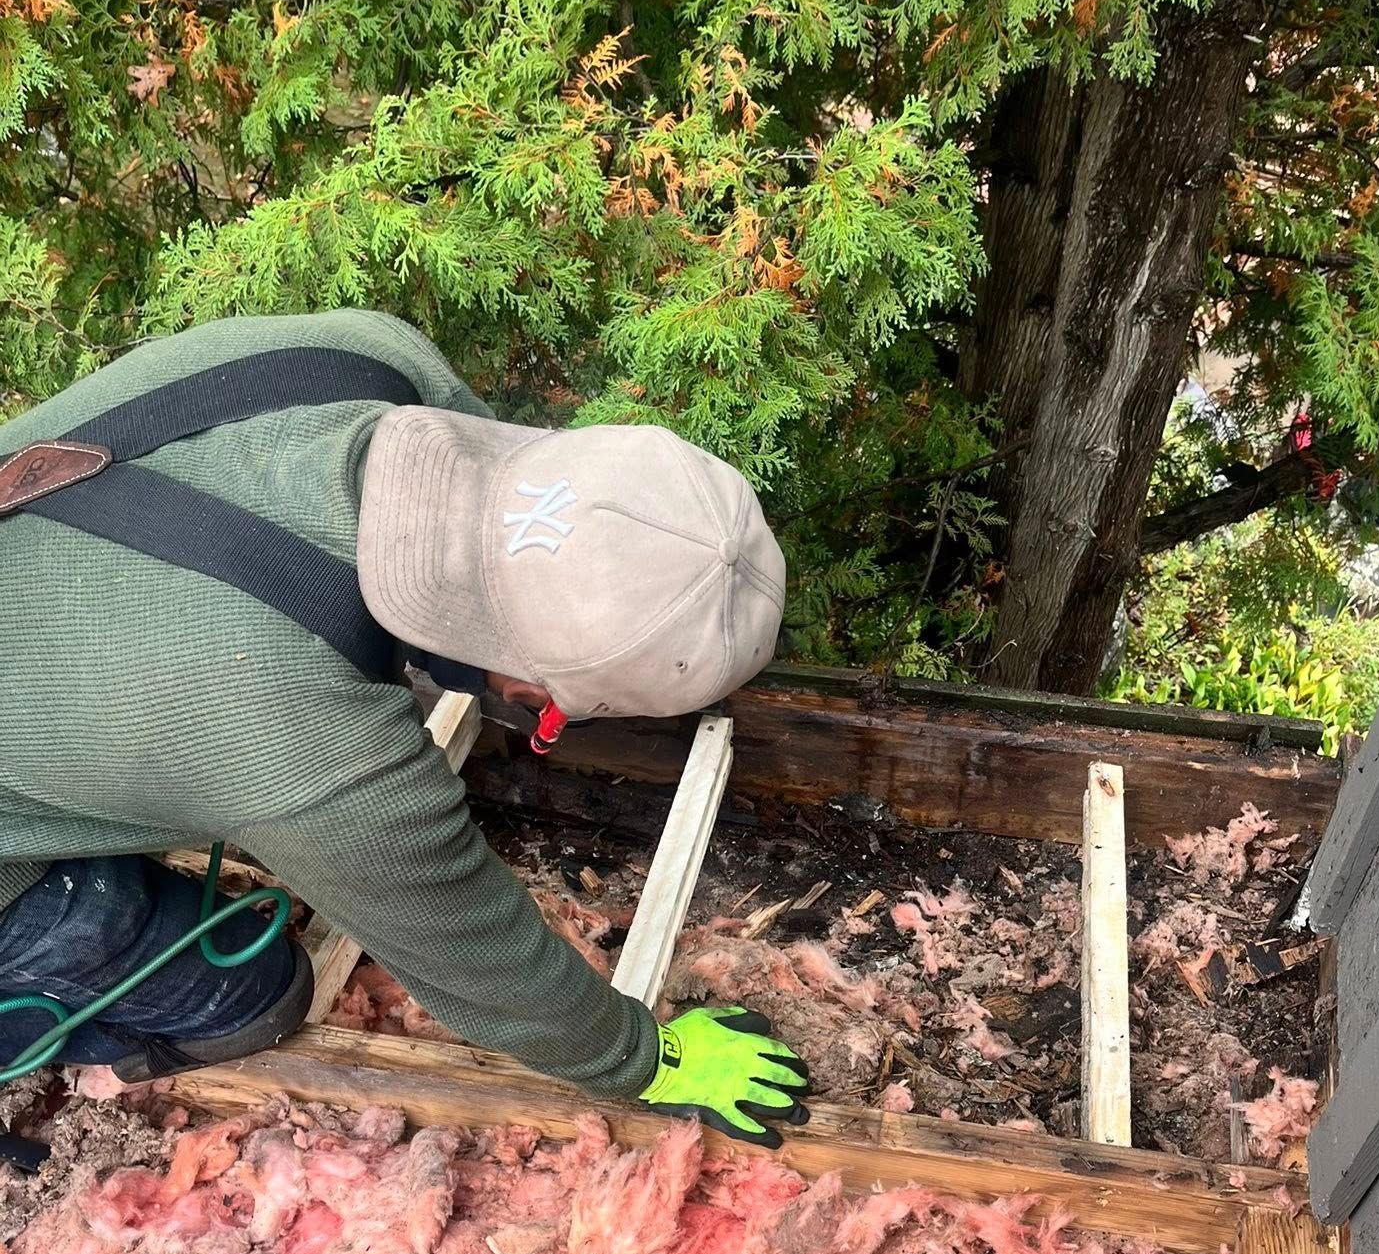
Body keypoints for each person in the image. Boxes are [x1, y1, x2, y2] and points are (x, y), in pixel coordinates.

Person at [0, 309, 809, 1147]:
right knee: (250, 994)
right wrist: (648, 1060)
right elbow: (482, 961)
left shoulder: (368, 361)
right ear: (532, 686)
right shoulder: (289, 723)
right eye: (551, 707)